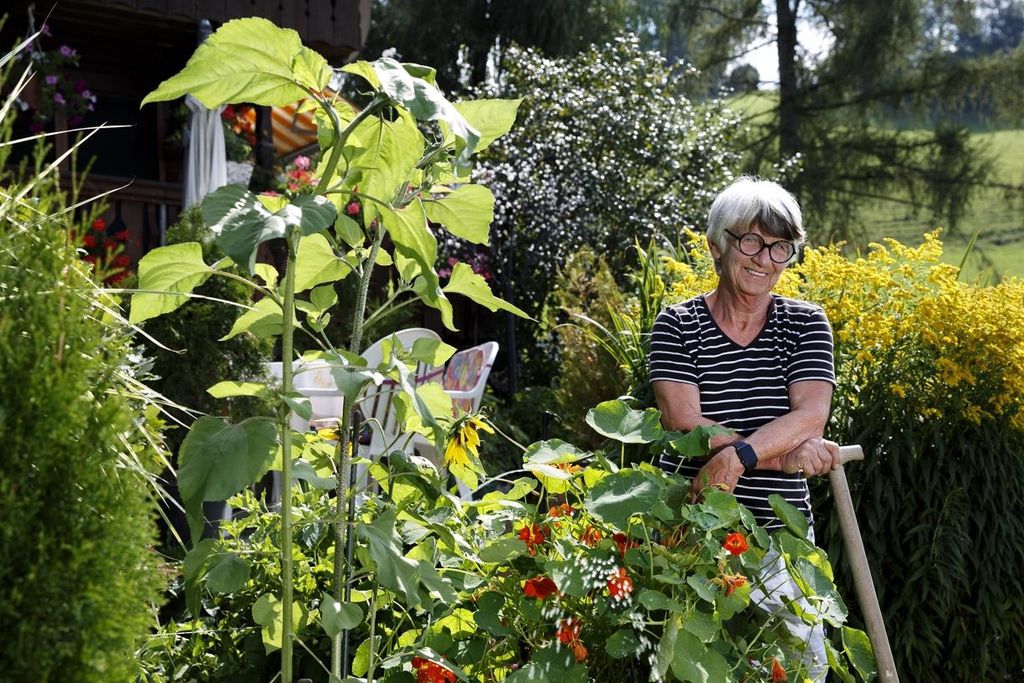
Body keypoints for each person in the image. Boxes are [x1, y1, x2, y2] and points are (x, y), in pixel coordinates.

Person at [649, 176, 839, 680]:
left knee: (801, 667)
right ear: (717, 244)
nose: (763, 259)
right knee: (692, 669)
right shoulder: (677, 324)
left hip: (781, 533)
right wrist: (782, 455)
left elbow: (809, 417)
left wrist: (739, 457)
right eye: (750, 240)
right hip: (692, 529)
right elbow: (684, 424)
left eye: (780, 247)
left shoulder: (805, 324)